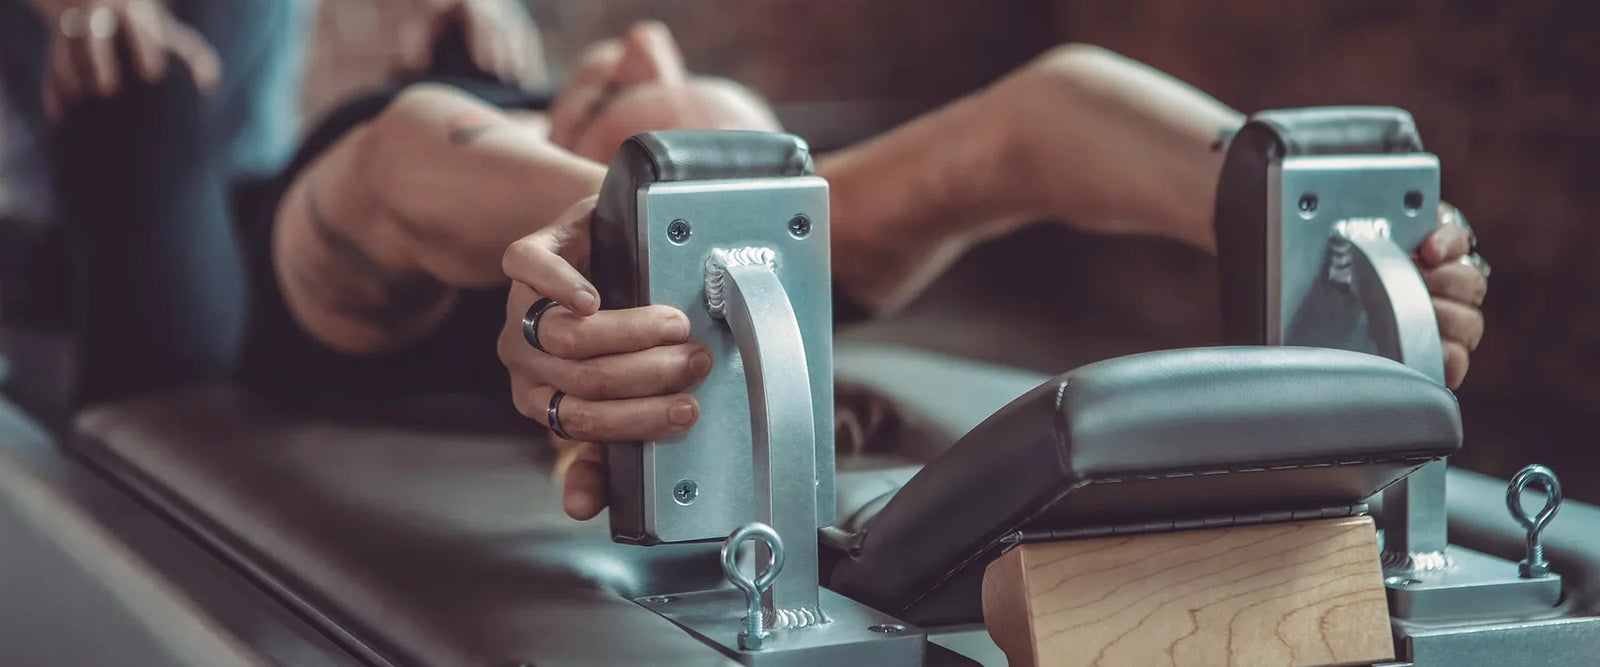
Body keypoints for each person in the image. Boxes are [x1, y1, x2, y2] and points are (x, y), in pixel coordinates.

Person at [240, 22, 1488, 520]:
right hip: (317, 233)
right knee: (407, 138)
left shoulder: (789, 238)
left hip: (685, 222)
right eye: (617, 72)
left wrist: (1350, 237)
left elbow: (1030, 126)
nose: (646, 36)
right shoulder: (423, 145)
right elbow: (400, 162)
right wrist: (612, 213)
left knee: (723, 153)